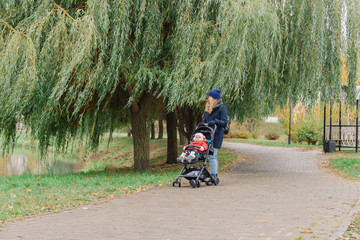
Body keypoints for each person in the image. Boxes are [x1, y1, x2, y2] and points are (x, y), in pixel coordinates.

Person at [201, 88, 228, 182]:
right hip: (207, 135)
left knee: (212, 155)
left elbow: (224, 122)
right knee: (206, 156)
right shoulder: (208, 109)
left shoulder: (222, 108)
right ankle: (206, 173)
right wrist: (201, 125)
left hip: (216, 135)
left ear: (216, 99)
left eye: (211, 98)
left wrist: (215, 121)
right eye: (209, 97)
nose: (209, 99)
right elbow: (204, 121)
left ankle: (214, 176)